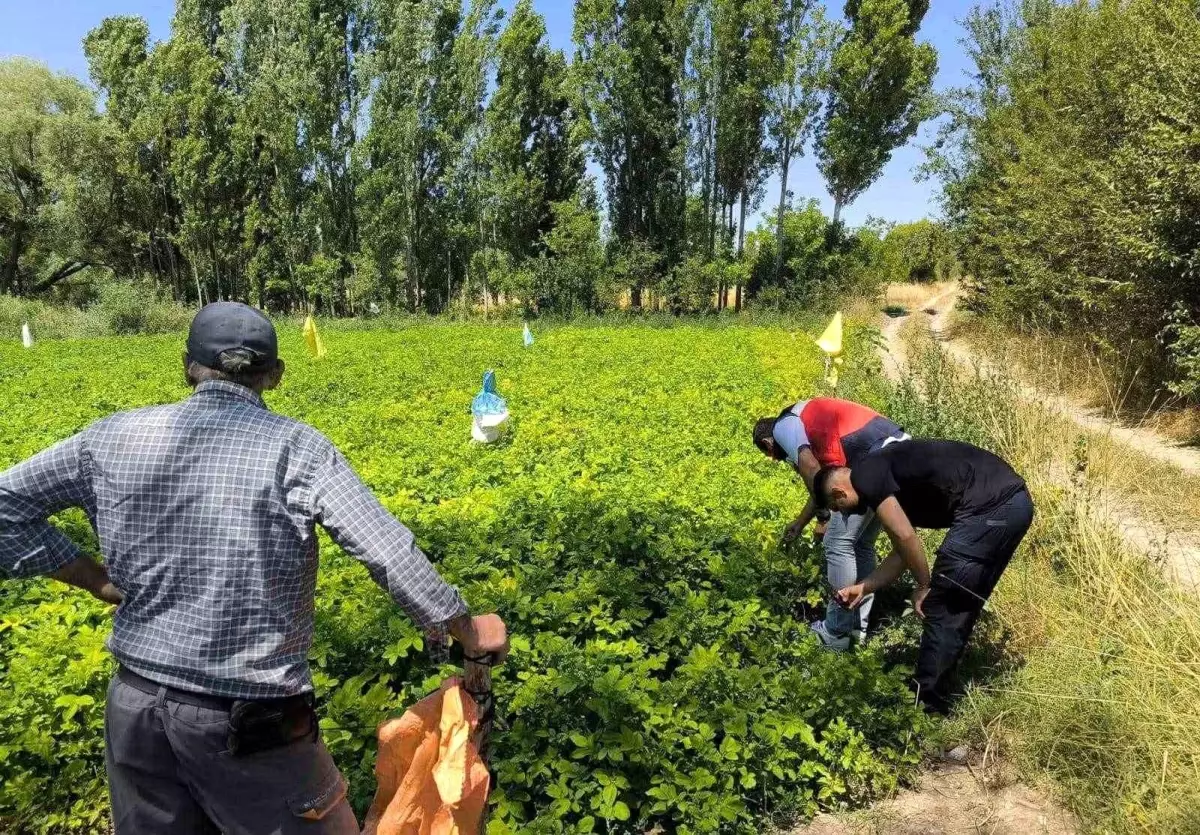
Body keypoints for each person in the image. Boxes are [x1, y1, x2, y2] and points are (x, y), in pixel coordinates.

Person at [0, 302, 509, 834]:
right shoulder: (298, 450)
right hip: (252, 723)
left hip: (138, 707)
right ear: (276, 375)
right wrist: (469, 630)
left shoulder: (110, 437)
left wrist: (96, 580)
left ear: (186, 366)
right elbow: (387, 552)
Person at [812, 438, 1034, 715]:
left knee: (942, 604)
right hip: (1010, 505)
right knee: (958, 601)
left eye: (837, 509)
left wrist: (923, 585)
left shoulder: (866, 475)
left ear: (838, 493)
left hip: (991, 508)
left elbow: (906, 537)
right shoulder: (886, 477)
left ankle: (924, 709)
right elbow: (903, 551)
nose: (842, 514)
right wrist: (864, 587)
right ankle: (935, 695)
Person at [753, 398, 908, 650]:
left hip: (874, 457)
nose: (774, 459)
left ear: (768, 443)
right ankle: (857, 627)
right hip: (896, 451)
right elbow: (823, 485)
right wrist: (801, 522)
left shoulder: (783, 427)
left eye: (770, 454)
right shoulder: (805, 423)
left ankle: (836, 633)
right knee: (862, 545)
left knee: (837, 542)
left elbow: (811, 468)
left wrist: (824, 519)